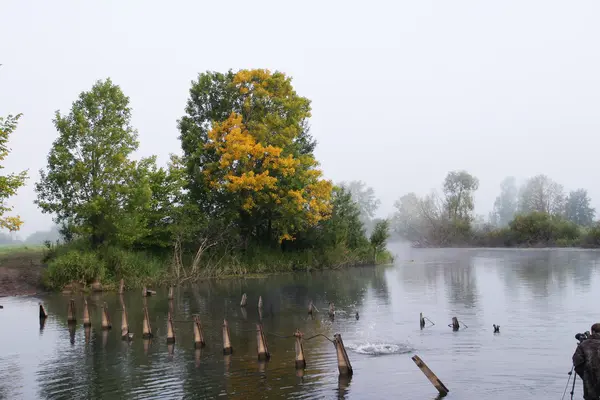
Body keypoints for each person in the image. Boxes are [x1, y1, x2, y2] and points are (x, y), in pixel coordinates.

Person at [573, 323, 600, 399]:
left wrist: (585, 376)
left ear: (593, 332)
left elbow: (577, 362)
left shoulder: (584, 344)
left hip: (590, 381)